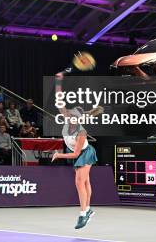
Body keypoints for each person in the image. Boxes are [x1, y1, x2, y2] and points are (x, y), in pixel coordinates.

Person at [50, 72, 100, 230]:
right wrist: (58, 82)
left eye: (74, 115)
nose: (71, 116)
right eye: (70, 114)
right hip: (79, 153)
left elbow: (76, 154)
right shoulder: (67, 118)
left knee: (79, 181)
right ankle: (89, 209)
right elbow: (59, 100)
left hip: (86, 152)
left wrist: (59, 155)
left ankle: (83, 213)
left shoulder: (81, 132)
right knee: (85, 181)